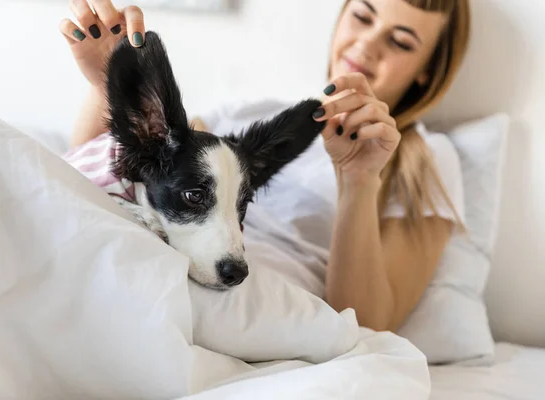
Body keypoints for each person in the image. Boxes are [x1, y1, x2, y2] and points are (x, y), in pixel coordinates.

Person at [59, 0, 470, 332]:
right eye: (362, 16)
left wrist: (359, 178)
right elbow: (91, 184)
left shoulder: (427, 160)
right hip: (148, 261)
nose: (366, 45)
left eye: (400, 42)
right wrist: (106, 82)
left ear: (427, 70)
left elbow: (368, 326)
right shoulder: (247, 112)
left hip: (258, 305)